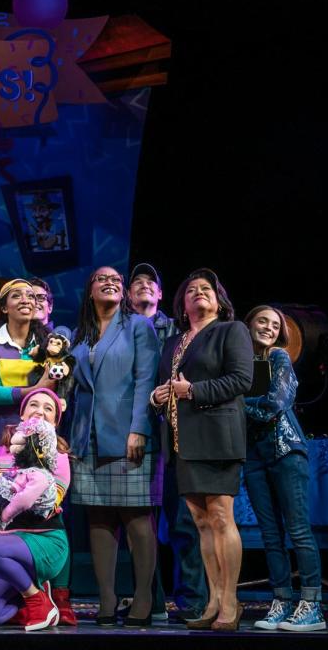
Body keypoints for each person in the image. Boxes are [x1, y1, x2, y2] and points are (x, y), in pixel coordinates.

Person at [150, 268, 253, 632]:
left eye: (206, 288)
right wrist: (158, 396)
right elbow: (169, 385)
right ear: (181, 304)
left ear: (218, 298)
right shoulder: (173, 343)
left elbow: (242, 380)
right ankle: (213, 598)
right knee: (201, 524)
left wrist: (192, 391)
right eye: (191, 290)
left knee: (222, 518)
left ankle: (230, 602)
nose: (198, 293)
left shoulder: (230, 331)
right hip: (182, 442)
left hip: (217, 436)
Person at [66, 267, 162, 626]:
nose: (110, 282)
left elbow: (145, 379)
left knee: (136, 517)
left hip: (125, 434)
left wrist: (138, 429)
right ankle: (107, 597)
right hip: (86, 437)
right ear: (90, 291)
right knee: (98, 517)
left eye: (117, 280)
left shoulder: (138, 326)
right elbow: (72, 390)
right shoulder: (82, 334)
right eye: (101, 279)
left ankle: (143, 597)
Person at [243, 305, 326, 632]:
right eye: (262, 321)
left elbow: (274, 404)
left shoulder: (278, 358)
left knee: (298, 529)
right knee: (270, 534)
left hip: (285, 450)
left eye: (275, 325)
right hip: (253, 456)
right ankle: (282, 600)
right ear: (248, 325)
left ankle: (312, 605)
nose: (268, 328)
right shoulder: (242, 364)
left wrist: (236, 402)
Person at [127, 261, 202, 621]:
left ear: (160, 293)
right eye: (136, 282)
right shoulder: (121, 331)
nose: (143, 286)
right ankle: (149, 599)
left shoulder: (177, 332)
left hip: (175, 437)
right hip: (137, 435)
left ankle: (193, 601)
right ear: (128, 295)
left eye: (150, 283)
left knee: (184, 522)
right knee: (142, 524)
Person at [0, 388, 71, 631]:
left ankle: (36, 599)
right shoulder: (1, 453)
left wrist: (3, 490)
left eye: (48, 408)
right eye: (34, 405)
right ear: (22, 415)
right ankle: (31, 595)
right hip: (5, 546)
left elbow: (52, 499)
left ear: (54, 422)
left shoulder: (57, 456)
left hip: (42, 541)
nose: (40, 411)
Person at [0, 279, 52, 461]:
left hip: (39, 428)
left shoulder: (47, 343)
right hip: (0, 428)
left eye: (30, 296)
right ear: (4, 308)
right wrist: (35, 389)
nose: (25, 300)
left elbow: (53, 387)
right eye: (16, 296)